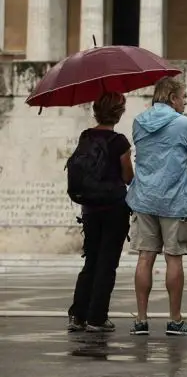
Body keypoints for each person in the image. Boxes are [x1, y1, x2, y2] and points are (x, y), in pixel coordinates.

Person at [126, 76, 187, 336]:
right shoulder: (185, 125)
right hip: (174, 200)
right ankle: (175, 319)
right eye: (183, 97)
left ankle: (142, 320)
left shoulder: (138, 122)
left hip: (144, 197)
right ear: (172, 98)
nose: (185, 102)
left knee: (145, 257)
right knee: (173, 258)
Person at [67, 92, 134, 333]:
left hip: (89, 210)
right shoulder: (120, 142)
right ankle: (97, 318)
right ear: (119, 113)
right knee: (107, 264)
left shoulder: (86, 136)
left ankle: (77, 315)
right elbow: (128, 177)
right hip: (114, 209)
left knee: (91, 262)